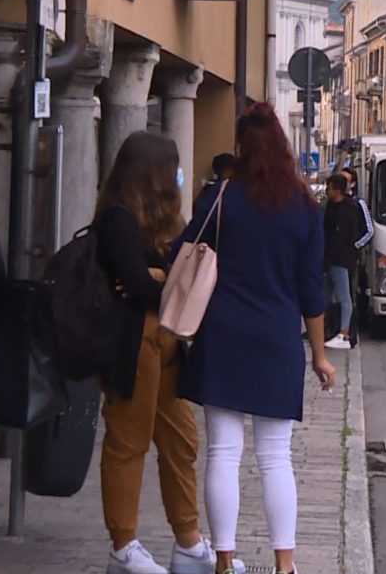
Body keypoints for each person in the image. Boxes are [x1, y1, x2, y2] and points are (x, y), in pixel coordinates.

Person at [173, 102, 335, 574]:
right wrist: (320, 356)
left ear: (243, 147)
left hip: (222, 336)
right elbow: (311, 289)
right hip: (276, 340)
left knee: (223, 451)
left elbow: (186, 249)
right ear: (283, 145)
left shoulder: (221, 196)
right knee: (275, 456)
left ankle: (224, 560)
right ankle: (285, 564)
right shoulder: (305, 205)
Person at [94, 132, 233, 574]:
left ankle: (189, 543)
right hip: (131, 342)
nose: (179, 176)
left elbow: (162, 280)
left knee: (181, 441)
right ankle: (123, 546)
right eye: (172, 167)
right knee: (128, 441)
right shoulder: (117, 217)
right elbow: (140, 285)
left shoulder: (166, 222)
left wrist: (160, 278)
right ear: (152, 173)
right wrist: (163, 280)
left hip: (167, 340)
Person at [323, 173, 361, 350]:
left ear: (337, 189)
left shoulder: (349, 208)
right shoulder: (332, 206)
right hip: (330, 258)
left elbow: (346, 236)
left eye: (329, 188)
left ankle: (344, 333)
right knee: (327, 295)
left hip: (341, 259)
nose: (326, 191)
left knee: (344, 295)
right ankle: (329, 329)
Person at [340, 167, 374, 250]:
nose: (341, 183)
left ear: (352, 184)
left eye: (345, 180)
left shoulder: (359, 203)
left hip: (349, 257)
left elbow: (370, 231)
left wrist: (355, 246)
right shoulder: (333, 203)